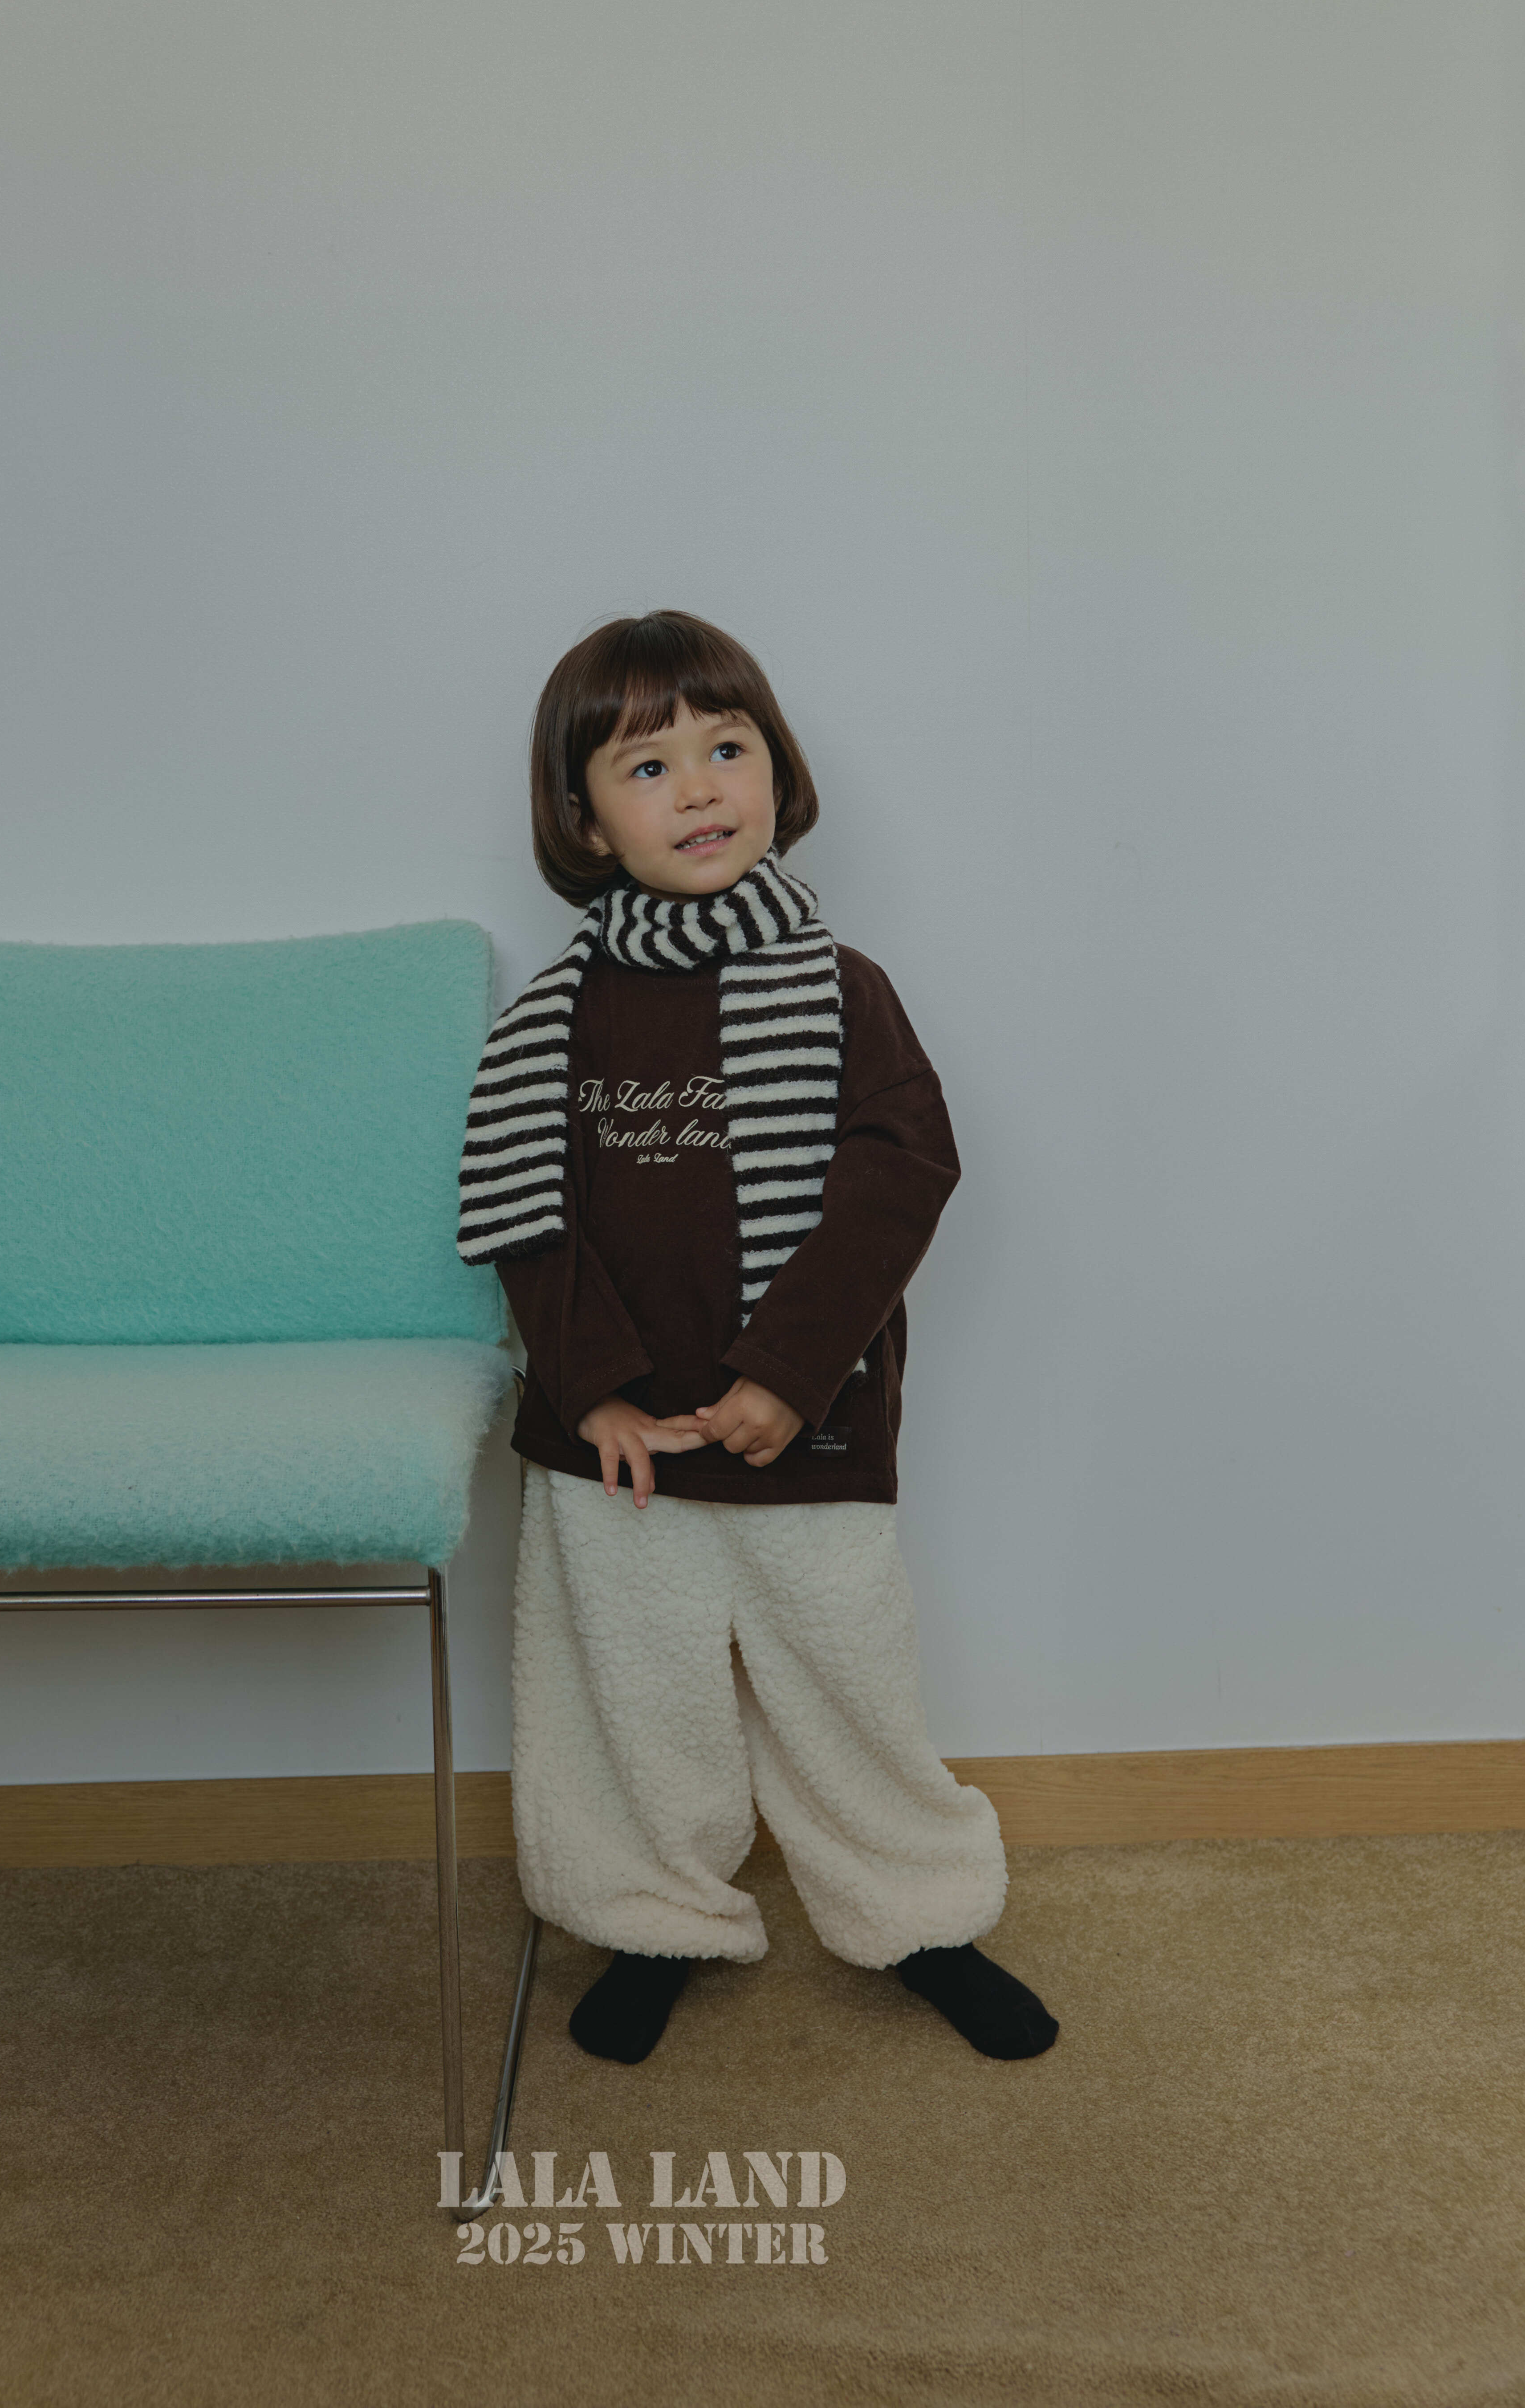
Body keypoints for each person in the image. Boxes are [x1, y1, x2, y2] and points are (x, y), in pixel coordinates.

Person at [457, 611, 1058, 2068]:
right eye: (647, 766)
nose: (700, 787)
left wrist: (789, 1373)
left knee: (848, 1680)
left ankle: (921, 1916)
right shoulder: (555, 1020)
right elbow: (525, 1215)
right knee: (633, 1700)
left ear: (778, 771)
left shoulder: (842, 988)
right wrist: (594, 1395)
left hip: (809, 1422)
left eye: (726, 749)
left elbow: (901, 1173)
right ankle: (653, 1917)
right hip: (618, 1453)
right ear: (583, 820)